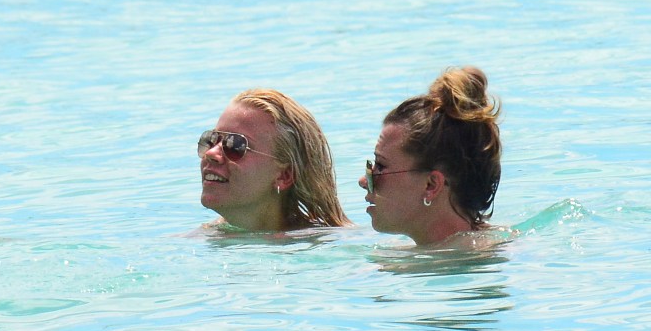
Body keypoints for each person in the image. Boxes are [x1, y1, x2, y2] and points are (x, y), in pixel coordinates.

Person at [359, 66, 502, 246]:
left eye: (380, 166)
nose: (364, 180)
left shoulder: (486, 256)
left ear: (431, 185)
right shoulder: (409, 259)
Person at [199, 88, 351, 231]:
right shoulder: (190, 244)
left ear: (284, 176)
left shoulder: (331, 241)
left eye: (235, 145)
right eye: (211, 140)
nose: (211, 153)